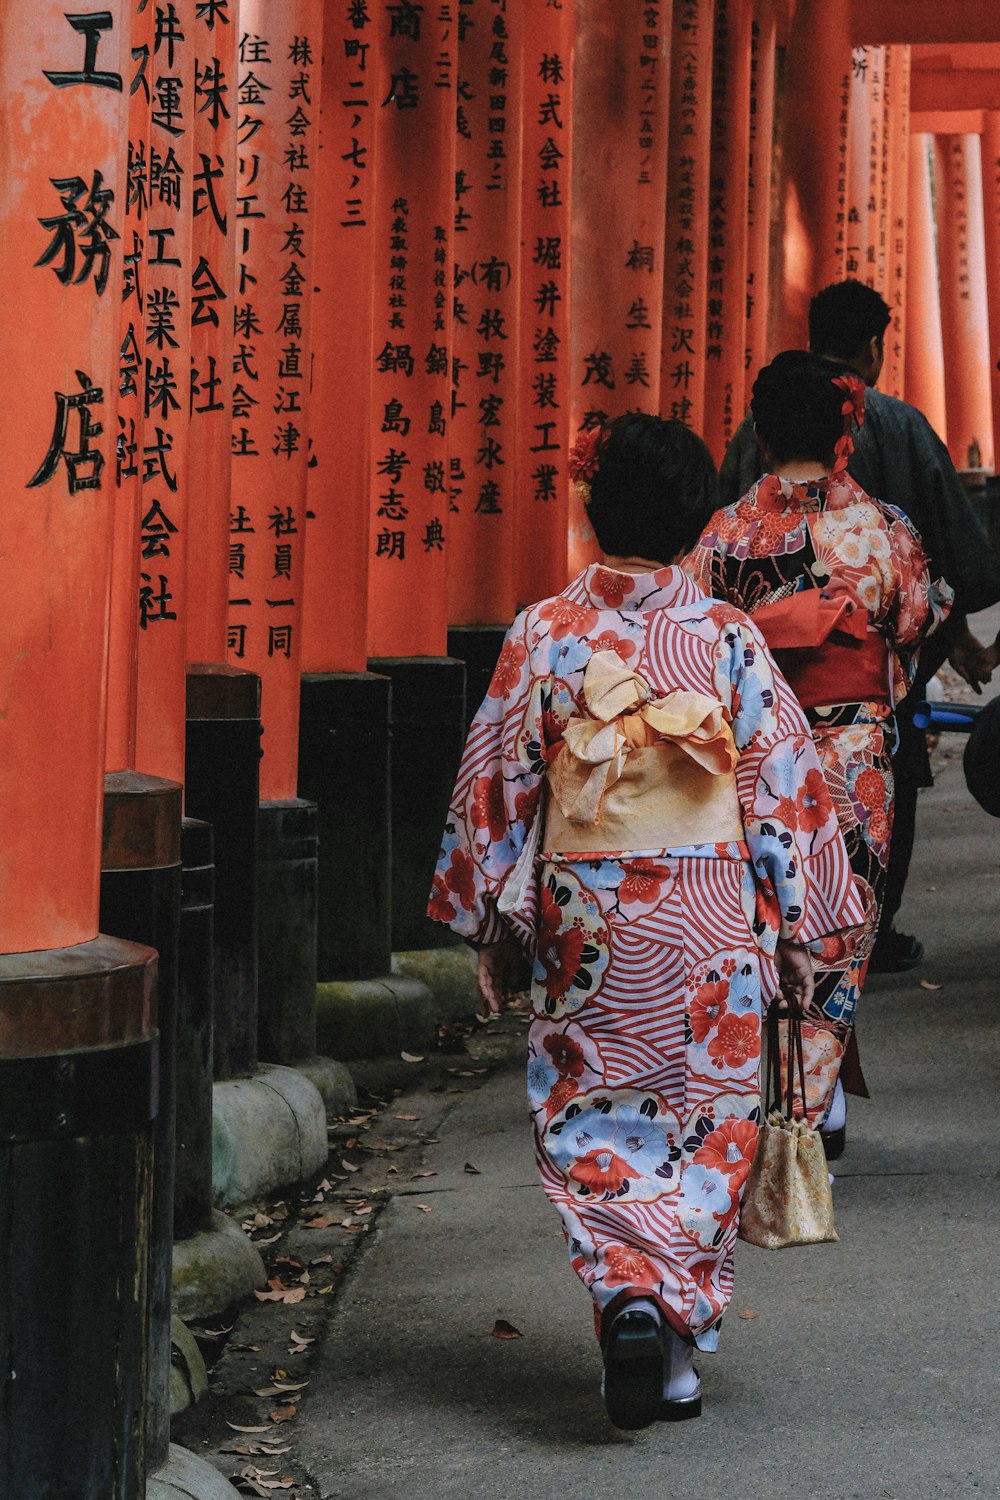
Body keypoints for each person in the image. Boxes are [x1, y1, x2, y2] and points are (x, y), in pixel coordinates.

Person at [428, 413, 864, 1432]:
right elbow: (778, 788)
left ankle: (625, 1291)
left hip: (588, 911)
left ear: (590, 504)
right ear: (695, 518)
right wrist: (798, 929)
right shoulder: (724, 636)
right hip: (709, 910)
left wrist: (492, 923)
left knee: (593, 1106)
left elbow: (498, 785)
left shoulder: (542, 634)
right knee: (707, 1113)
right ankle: (667, 1342)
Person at [687, 351, 951, 1151]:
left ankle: (783, 1084)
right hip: (851, 748)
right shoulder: (879, 529)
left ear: (760, 432)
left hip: (756, 755)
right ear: (846, 426)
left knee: (766, 911)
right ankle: (818, 1088)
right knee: (843, 915)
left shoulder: (726, 532)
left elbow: (699, 638)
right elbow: (916, 619)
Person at [720, 280, 1000, 973]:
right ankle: (864, 935)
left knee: (760, 797)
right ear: (874, 349)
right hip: (864, 695)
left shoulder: (728, 520)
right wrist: (935, 643)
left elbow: (708, 589)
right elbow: (940, 583)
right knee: (880, 791)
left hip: (758, 688)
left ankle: (766, 928)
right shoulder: (887, 491)